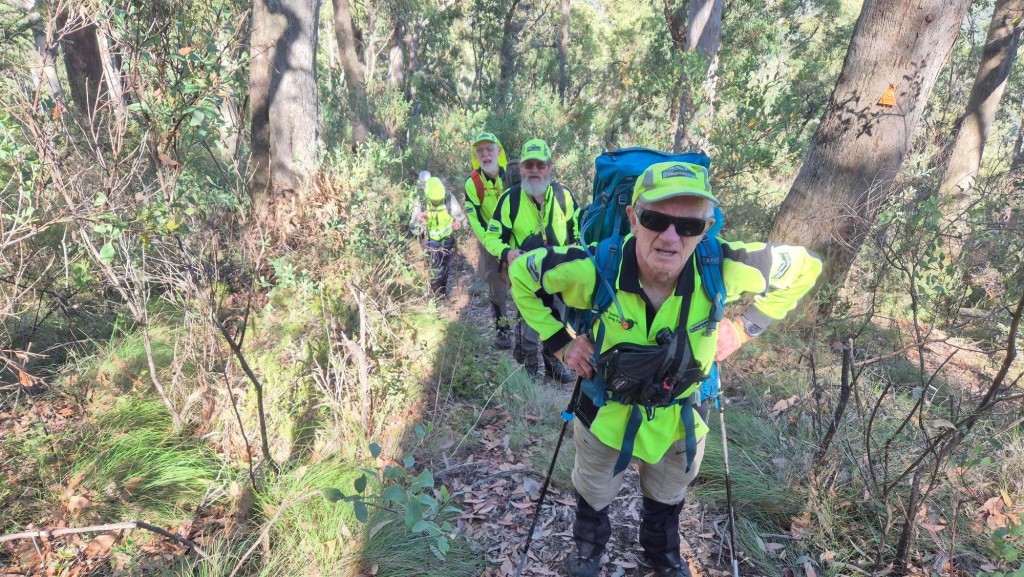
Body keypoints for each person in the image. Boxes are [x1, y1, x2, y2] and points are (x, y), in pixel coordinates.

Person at [508, 161, 822, 576]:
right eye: (656, 218)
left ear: (706, 228)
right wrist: (561, 342)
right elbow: (521, 273)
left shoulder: (724, 267)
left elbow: (806, 267)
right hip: (605, 410)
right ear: (633, 218)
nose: (671, 237)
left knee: (670, 491)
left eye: (689, 225)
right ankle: (588, 550)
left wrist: (747, 327)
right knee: (594, 487)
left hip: (682, 415)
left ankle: (662, 553)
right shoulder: (593, 269)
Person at [484, 138, 580, 383]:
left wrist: (576, 250)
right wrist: (508, 253)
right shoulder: (510, 199)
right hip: (526, 277)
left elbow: (580, 231)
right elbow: (492, 236)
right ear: (522, 168)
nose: (534, 170)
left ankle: (554, 365)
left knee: (559, 319)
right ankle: (527, 366)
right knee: (528, 324)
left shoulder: (564, 196)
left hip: (560, 274)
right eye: (529, 165)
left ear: (550, 166)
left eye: (540, 164)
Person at [464, 133, 514, 349]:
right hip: (490, 243)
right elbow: (474, 218)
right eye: (480, 151)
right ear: (476, 156)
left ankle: (528, 334)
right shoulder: (473, 183)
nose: (485, 154)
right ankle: (503, 332)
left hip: (516, 240)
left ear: (499, 151)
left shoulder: (512, 176)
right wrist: (491, 244)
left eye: (489, 149)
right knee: (497, 288)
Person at [410, 176, 466, 298]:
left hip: (447, 239)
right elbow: (414, 226)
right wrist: (421, 221)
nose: (436, 202)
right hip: (431, 241)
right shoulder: (421, 200)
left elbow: (460, 217)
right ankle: (435, 294)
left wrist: (458, 224)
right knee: (436, 266)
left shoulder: (448, 197)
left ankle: (442, 292)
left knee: (445, 265)